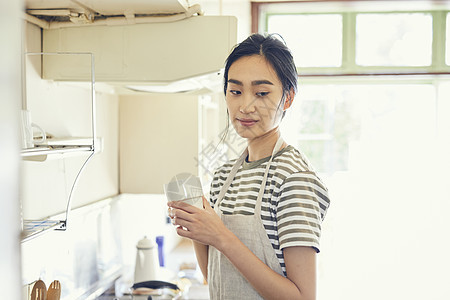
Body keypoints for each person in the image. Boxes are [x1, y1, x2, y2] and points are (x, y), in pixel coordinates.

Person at [167, 33, 330, 300]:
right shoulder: (223, 177)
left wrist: (220, 236)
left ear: (287, 98)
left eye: (262, 93)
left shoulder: (294, 179)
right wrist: (196, 225)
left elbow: (302, 297)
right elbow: (216, 277)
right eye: (235, 91)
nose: (245, 106)